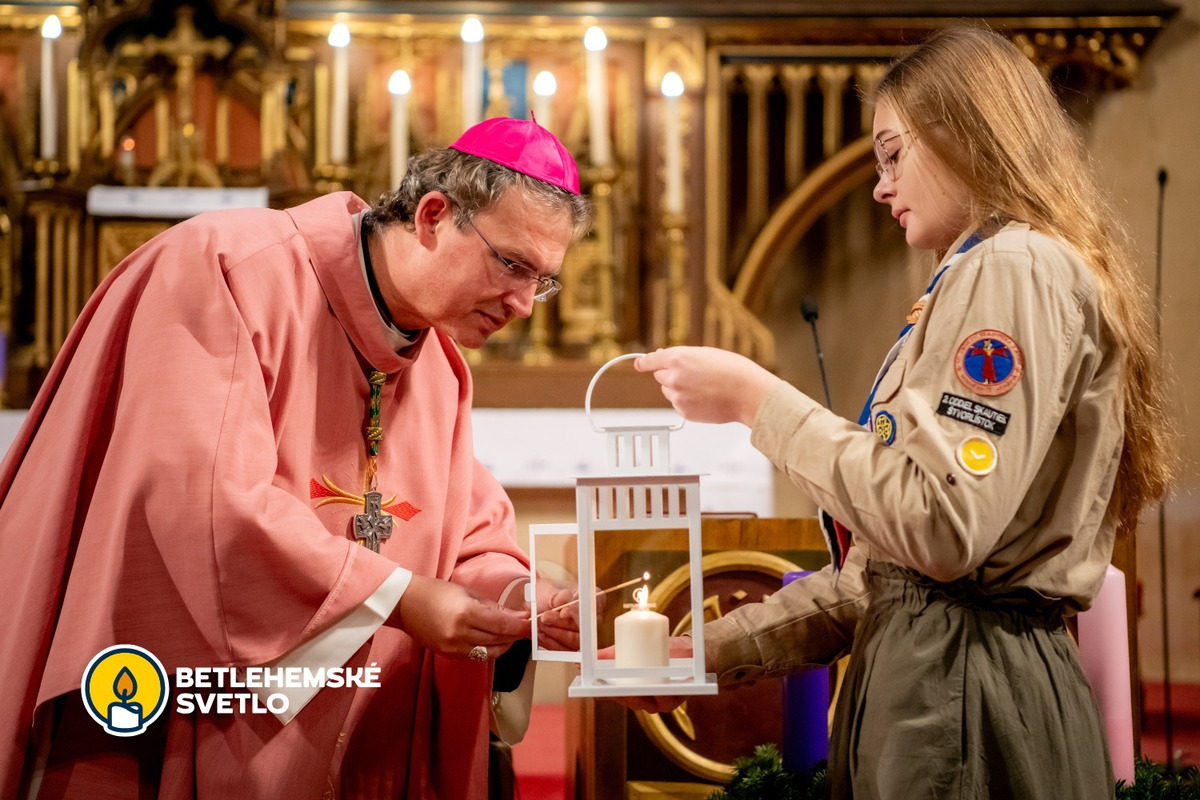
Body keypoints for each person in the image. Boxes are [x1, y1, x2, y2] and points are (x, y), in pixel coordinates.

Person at [629, 25, 1173, 799]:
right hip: (946, 677)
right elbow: (891, 573)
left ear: (967, 134)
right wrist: (709, 653)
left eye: (893, 154)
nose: (881, 187)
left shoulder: (1011, 266)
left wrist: (758, 402)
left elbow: (941, 527)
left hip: (964, 696)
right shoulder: (988, 270)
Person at [0, 117, 590, 799]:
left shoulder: (438, 365)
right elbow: (205, 507)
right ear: (433, 216)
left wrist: (523, 600)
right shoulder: (227, 270)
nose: (524, 305)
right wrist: (399, 597)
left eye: (542, 281)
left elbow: (464, 537)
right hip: (194, 711)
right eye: (512, 264)